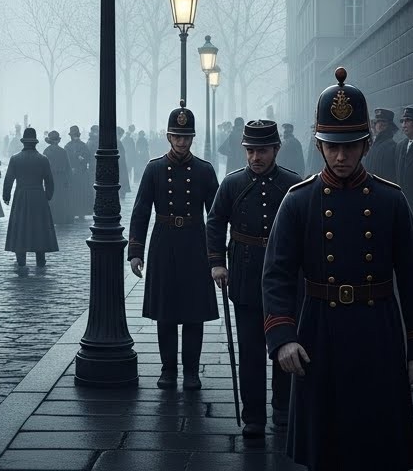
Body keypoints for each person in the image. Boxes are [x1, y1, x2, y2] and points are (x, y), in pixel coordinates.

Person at [263, 67, 413, 471]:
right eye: (332, 146)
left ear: (367, 144)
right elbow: (277, 276)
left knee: (378, 448)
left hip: (378, 330)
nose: (341, 157)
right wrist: (283, 337)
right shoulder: (299, 201)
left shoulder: (391, 200)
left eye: (351, 146)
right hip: (319, 330)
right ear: (319, 145)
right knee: (326, 449)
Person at [206, 120, 301, 435]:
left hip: (285, 277)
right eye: (250, 151)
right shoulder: (232, 184)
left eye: (262, 151)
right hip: (245, 275)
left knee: (284, 343)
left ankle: (283, 408)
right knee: (250, 350)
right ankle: (254, 417)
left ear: (276, 149)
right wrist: (217, 263)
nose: (255, 157)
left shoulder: (292, 184)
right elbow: (215, 222)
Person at [129, 104, 219, 390]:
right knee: (165, 312)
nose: (181, 142)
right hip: (163, 243)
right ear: (168, 137)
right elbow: (141, 211)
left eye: (186, 137)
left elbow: (216, 217)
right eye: (177, 137)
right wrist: (135, 252)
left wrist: (218, 256)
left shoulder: (204, 170)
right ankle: (168, 370)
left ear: (192, 138)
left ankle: (191, 371)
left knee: (194, 312)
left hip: (195, 243)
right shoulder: (154, 169)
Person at [3, 128, 58, 270]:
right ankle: (40, 259)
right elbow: (49, 181)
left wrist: (6, 196)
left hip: (21, 195)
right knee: (39, 227)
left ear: (23, 142)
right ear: (35, 143)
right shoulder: (43, 159)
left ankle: (21, 259)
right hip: (38, 196)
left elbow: (9, 179)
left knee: (20, 226)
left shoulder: (15, 158)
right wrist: (48, 196)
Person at [42, 130, 72, 222]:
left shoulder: (46, 151)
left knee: (51, 198)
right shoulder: (63, 151)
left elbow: (44, 167)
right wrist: (68, 180)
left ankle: (52, 218)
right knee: (61, 198)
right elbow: (68, 167)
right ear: (58, 140)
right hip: (61, 178)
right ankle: (61, 218)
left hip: (50, 178)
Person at [65, 125, 92, 221]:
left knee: (76, 193)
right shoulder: (82, 145)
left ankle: (77, 212)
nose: (75, 137)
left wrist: (82, 159)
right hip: (79, 173)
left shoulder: (69, 146)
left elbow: (88, 158)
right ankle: (80, 212)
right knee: (80, 193)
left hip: (77, 173)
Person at [367, 108, 402, 181]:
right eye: (378, 121)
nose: (380, 124)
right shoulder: (372, 146)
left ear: (389, 125)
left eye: (383, 121)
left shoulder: (393, 147)